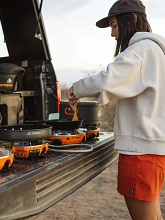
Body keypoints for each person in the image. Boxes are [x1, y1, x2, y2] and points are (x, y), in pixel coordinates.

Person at [66, 0, 165, 219]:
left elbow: (107, 80)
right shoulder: (157, 53)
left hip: (139, 153)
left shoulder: (141, 50)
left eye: (114, 25)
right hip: (152, 152)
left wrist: (76, 89)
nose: (113, 34)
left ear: (134, 19)